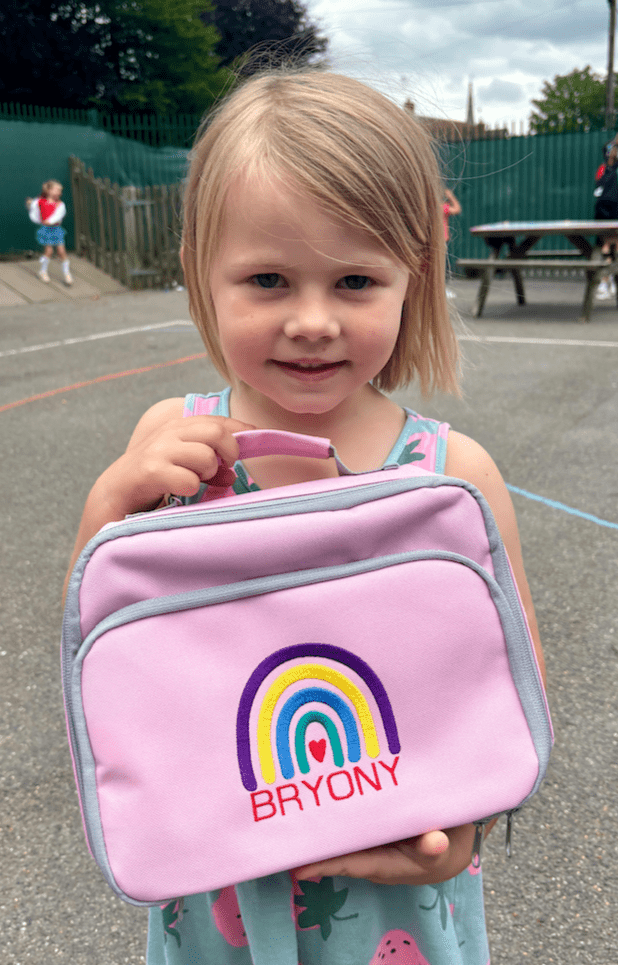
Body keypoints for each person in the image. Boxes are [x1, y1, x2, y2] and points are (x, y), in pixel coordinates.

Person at [63, 69, 545, 965]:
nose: (313, 320)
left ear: (414, 278)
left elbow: (510, 685)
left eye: (355, 279)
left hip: (399, 889)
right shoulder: (172, 443)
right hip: (225, 888)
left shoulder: (451, 472)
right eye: (269, 279)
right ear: (198, 274)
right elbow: (104, 656)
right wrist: (109, 507)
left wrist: (470, 829)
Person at [26, 179, 73, 285]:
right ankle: (42, 272)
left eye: (60, 191)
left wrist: (50, 221)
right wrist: (30, 204)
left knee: (61, 251)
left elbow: (59, 215)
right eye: (57, 190)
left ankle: (67, 274)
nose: (59, 193)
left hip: (56, 230)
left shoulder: (60, 204)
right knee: (49, 251)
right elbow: (34, 208)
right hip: (46, 230)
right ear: (49, 191)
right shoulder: (40, 202)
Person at [592, 137, 618, 299]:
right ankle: (605, 281)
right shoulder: (603, 169)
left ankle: (611, 280)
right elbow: (598, 186)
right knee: (605, 245)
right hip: (604, 210)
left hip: (615, 210)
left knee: (615, 245)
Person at [443, 188, 461, 299]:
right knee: (443, 267)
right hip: (441, 240)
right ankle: (442, 289)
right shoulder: (442, 207)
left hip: (436, 240)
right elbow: (457, 209)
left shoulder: (431, 207)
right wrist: (450, 196)